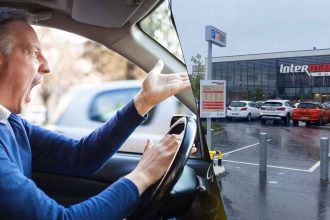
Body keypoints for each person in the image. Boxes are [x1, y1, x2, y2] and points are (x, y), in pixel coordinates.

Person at [0, 7, 191, 220]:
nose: (47, 66)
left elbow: (81, 157)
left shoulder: (11, 123)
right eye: (35, 53)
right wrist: (142, 175)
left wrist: (143, 101)